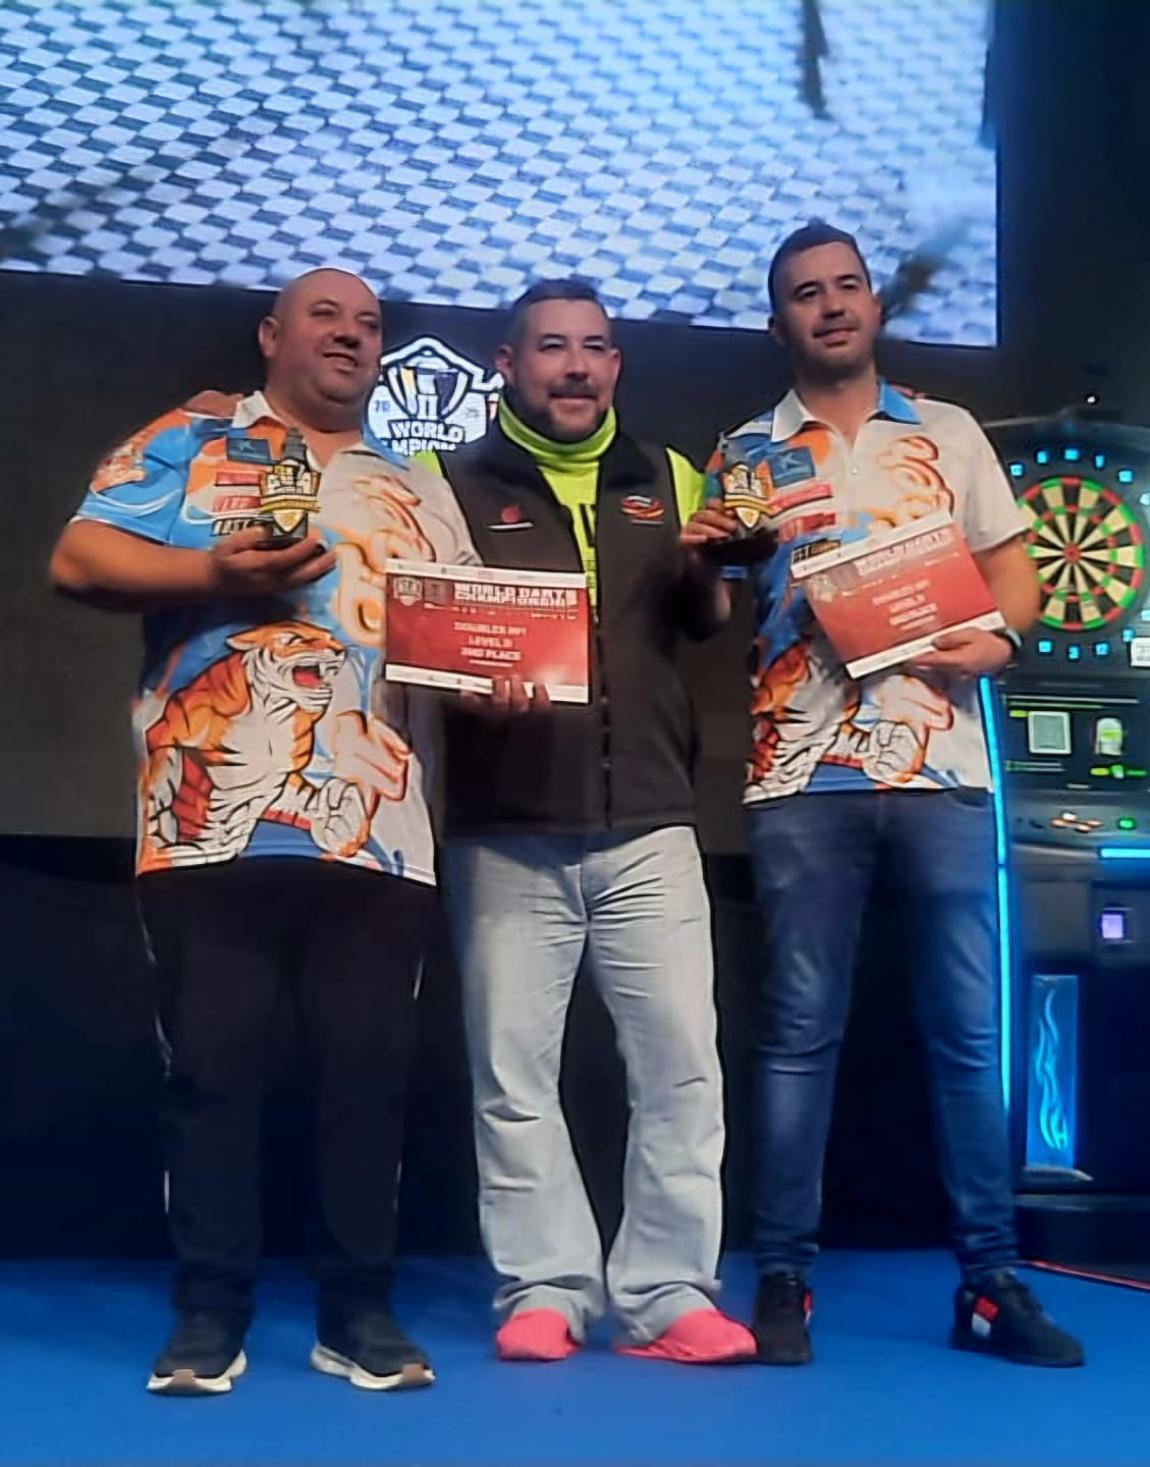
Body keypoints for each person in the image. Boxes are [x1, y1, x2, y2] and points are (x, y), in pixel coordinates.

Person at [50, 268, 478, 1396]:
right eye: (327, 316)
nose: (351, 335)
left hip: (379, 828)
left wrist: (504, 679)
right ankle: (209, 1312)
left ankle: (359, 1310)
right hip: (208, 821)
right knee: (214, 1075)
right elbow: (79, 559)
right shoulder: (195, 442)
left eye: (370, 323)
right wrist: (206, 572)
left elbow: (467, 635)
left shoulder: (418, 485)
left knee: (368, 1078)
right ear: (273, 334)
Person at [690, 222, 1084, 1368]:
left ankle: (991, 1281)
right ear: (780, 324)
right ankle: (783, 1280)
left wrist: (994, 644)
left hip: (944, 771)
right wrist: (705, 558)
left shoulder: (948, 432)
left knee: (968, 1037)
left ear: (872, 305)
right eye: (804, 295)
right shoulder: (748, 450)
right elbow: (709, 613)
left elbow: (1015, 572)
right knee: (800, 1036)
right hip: (801, 772)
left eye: (846, 287)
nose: (830, 307)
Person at [427, 278, 756, 1365]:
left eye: (597, 349)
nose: (577, 367)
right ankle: (545, 1288)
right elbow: (418, 636)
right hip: (504, 827)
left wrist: (709, 568)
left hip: (653, 826)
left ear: (616, 367)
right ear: (509, 365)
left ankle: (669, 1295)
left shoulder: (669, 476)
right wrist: (465, 682)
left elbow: (704, 621)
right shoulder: (443, 483)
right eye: (553, 348)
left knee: (682, 1068)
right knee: (514, 1073)